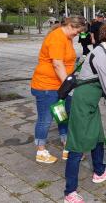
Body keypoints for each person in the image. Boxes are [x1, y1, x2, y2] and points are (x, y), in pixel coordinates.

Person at [64, 19, 106, 203]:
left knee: (98, 138)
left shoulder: (102, 52)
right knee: (76, 147)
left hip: (91, 103)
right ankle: (70, 192)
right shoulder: (100, 55)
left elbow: (101, 84)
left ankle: (99, 172)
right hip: (82, 104)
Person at [30, 15, 87, 164]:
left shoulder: (67, 38)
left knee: (63, 116)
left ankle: (67, 147)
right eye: (78, 31)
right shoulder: (57, 38)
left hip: (59, 86)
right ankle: (41, 151)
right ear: (71, 26)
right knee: (45, 119)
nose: (78, 34)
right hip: (47, 86)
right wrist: (67, 85)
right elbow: (57, 64)